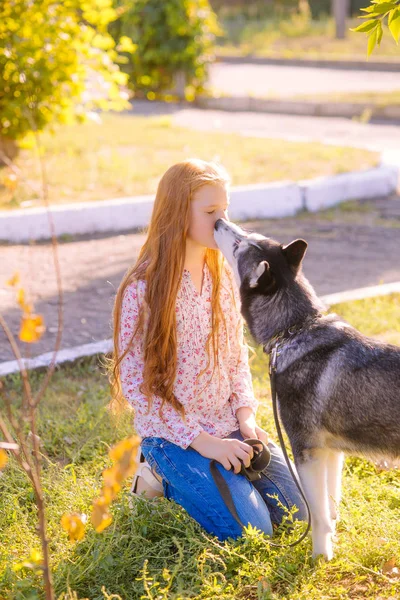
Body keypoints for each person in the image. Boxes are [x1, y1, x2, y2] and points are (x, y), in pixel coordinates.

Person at [109, 158, 307, 542]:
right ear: (176, 215)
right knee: (251, 531)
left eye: (226, 210)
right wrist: (207, 445)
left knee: (299, 514)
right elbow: (138, 388)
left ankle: (220, 478)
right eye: (211, 212)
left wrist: (245, 420)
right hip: (175, 436)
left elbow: (234, 357)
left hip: (228, 425)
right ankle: (157, 475)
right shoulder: (142, 290)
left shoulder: (223, 277)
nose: (224, 223)